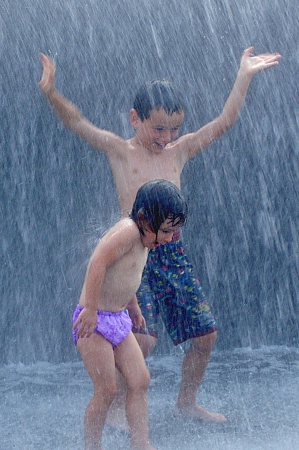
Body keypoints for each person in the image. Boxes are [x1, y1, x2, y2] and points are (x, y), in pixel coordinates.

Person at [39, 46, 281, 425]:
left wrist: (243, 76)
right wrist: (52, 92)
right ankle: (117, 402)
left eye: (174, 128)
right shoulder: (119, 151)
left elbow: (224, 122)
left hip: (173, 252)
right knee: (144, 339)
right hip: (133, 255)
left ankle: (187, 403)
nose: (167, 137)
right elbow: (78, 123)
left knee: (205, 337)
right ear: (135, 119)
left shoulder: (179, 151)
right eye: (158, 128)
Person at [72, 179, 187, 450]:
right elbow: (98, 263)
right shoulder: (127, 232)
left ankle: (141, 443)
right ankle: (92, 446)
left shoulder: (146, 242)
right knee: (107, 390)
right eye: (167, 230)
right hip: (93, 321)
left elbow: (126, 276)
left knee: (140, 380)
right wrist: (89, 308)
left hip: (119, 320)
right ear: (145, 219)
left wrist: (133, 307)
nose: (170, 238)